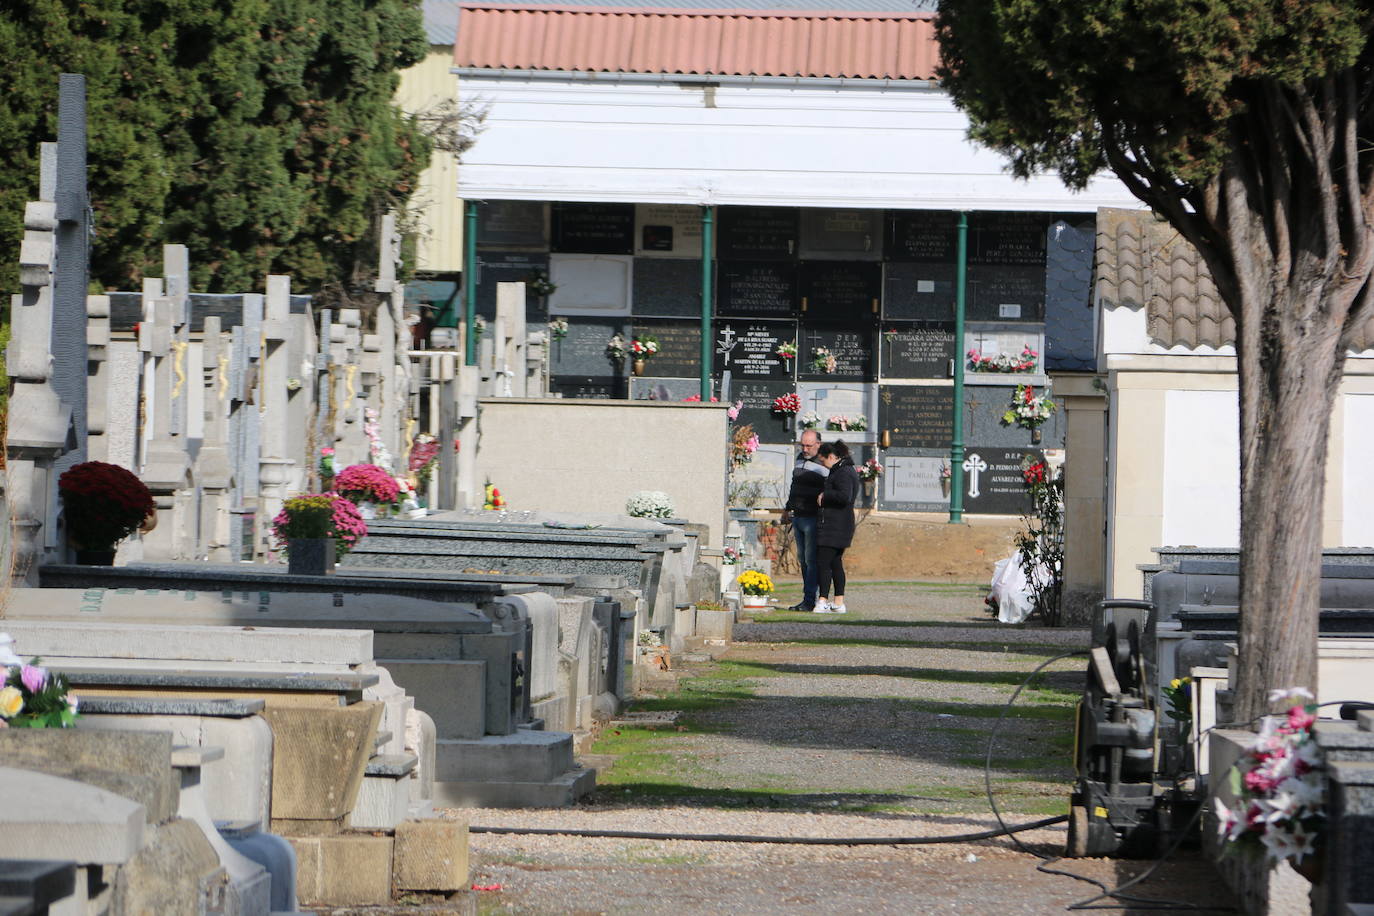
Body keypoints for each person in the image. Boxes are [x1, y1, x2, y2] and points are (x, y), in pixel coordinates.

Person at [782, 429, 826, 612]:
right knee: (803, 560)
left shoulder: (824, 463)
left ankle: (811, 599)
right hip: (798, 516)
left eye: (809, 446)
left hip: (813, 517)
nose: (805, 449)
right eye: (803, 445)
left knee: (811, 560)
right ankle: (807, 598)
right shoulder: (800, 459)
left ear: (818, 444)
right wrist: (787, 508)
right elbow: (795, 486)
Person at [814, 440, 859, 614]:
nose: (822, 464)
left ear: (832, 456)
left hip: (835, 525)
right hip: (839, 524)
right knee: (835, 563)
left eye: (823, 460)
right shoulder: (844, 469)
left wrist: (825, 495)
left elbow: (844, 496)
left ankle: (822, 600)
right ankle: (838, 602)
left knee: (823, 562)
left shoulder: (843, 472)